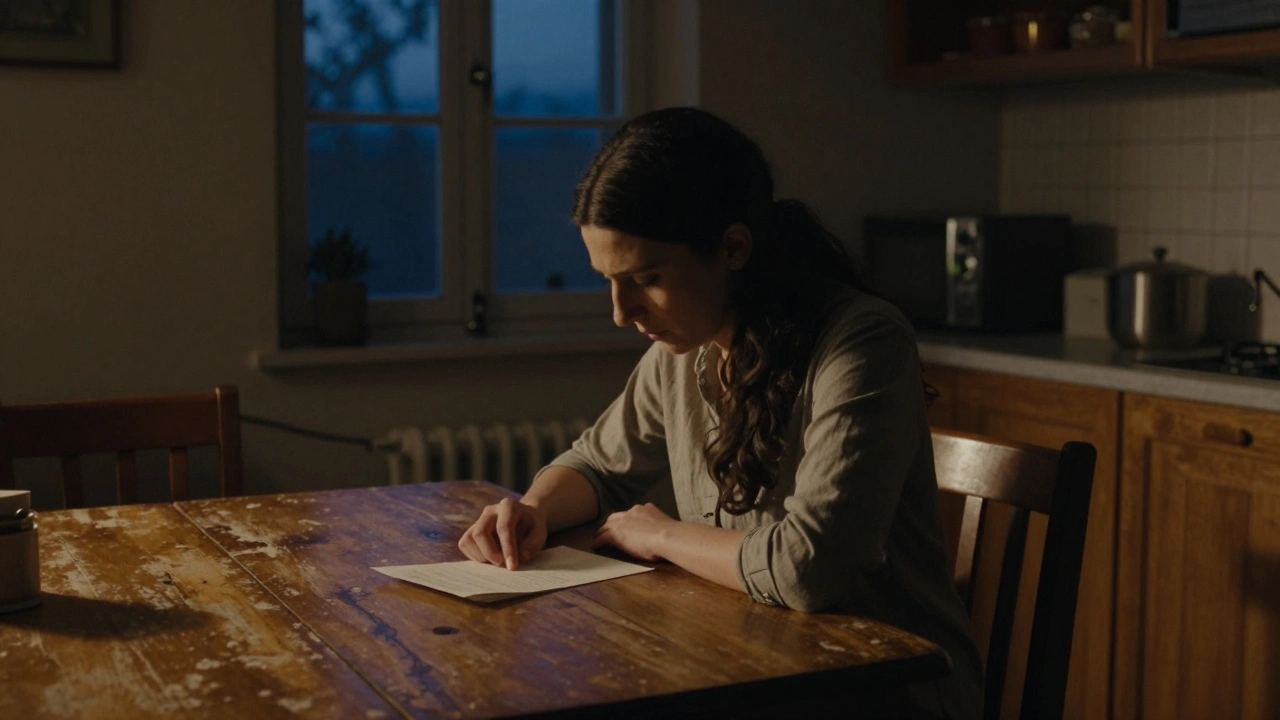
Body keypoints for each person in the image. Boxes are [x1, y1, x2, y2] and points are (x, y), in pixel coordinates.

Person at [458, 106, 982, 719]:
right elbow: (598, 465)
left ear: (733, 247)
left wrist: (657, 532)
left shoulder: (862, 342)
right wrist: (533, 511)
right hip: (751, 664)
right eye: (608, 280)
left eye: (645, 278)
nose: (622, 312)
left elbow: (805, 568)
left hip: (885, 691)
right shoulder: (687, 347)